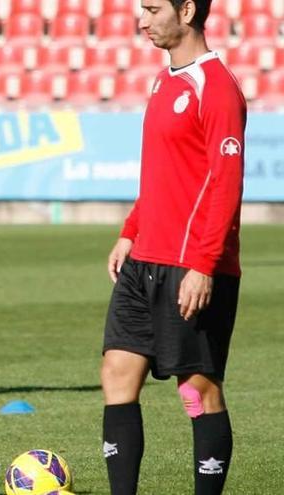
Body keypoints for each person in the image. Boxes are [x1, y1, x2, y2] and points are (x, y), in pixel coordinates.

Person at [100, 1, 246, 494]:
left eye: (152, 8)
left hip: (192, 265)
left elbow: (225, 185)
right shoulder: (165, 81)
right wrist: (130, 230)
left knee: (197, 390)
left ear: (187, 10)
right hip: (144, 260)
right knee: (116, 373)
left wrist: (204, 266)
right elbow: (162, 175)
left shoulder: (217, 87)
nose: (142, 20)